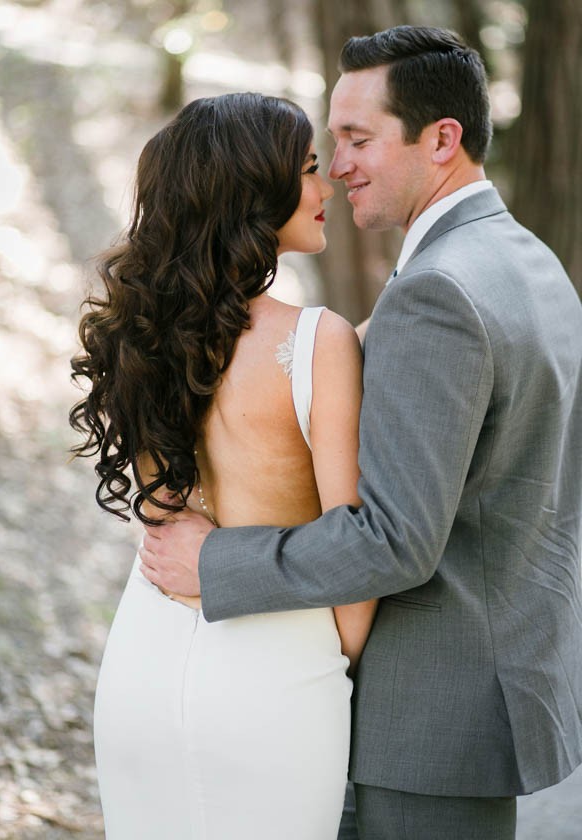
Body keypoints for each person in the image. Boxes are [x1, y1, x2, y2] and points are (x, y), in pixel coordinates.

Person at [139, 26, 582, 840]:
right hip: (497, 686)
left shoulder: (439, 291)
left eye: (356, 138)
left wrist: (215, 559)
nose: (337, 166)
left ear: (441, 138)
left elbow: (395, 542)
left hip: (424, 721)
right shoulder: (527, 261)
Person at [70, 91, 379, 839]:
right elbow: (353, 549)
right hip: (277, 672)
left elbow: (163, 517)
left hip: (143, 658)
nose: (327, 184)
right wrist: (326, 655)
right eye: (308, 168)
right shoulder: (318, 342)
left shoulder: (140, 334)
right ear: (254, 191)